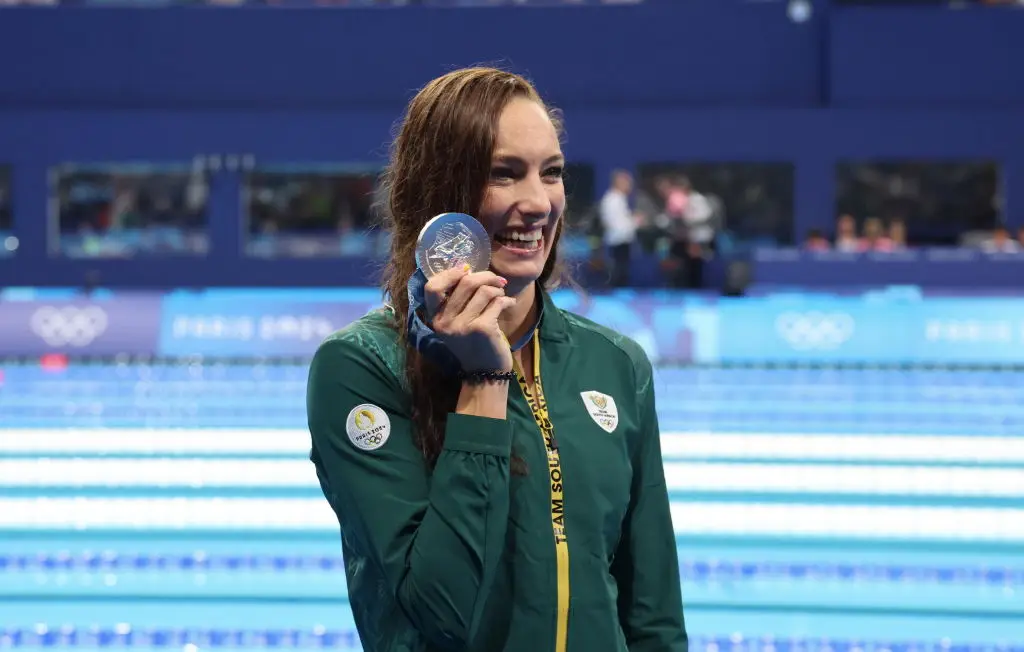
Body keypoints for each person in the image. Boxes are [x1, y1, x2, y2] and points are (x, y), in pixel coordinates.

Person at [306, 67, 687, 652]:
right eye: (503, 174)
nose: (537, 203)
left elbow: (652, 612)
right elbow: (441, 611)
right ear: (439, 197)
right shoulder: (360, 369)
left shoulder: (615, 365)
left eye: (551, 173)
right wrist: (484, 380)